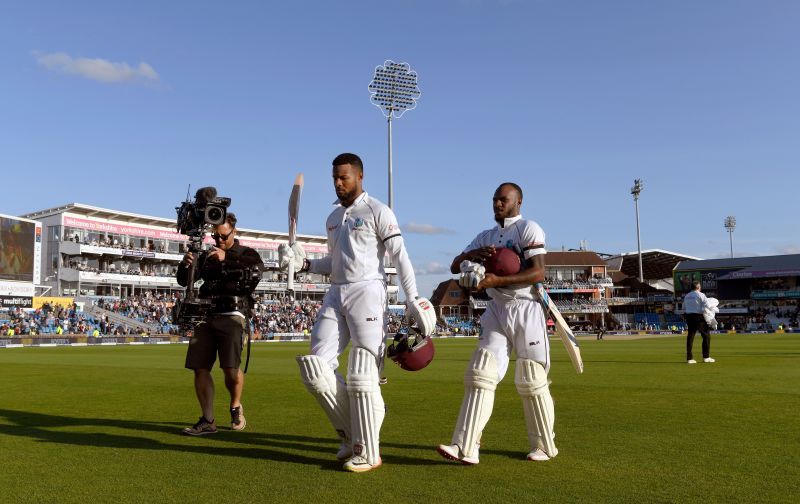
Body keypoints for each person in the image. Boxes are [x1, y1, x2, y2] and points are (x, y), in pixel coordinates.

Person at [279, 153, 436, 473]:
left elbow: (400, 257)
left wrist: (413, 298)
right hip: (337, 292)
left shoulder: (378, 210)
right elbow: (333, 264)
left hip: (368, 292)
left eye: (344, 178)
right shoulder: (333, 219)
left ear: (360, 177)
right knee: (316, 370)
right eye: (335, 177)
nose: (338, 183)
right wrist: (304, 264)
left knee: (364, 373)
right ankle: (354, 434)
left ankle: (368, 451)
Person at [437, 182, 558, 464]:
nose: (497, 204)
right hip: (496, 307)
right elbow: (455, 266)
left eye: (503, 200)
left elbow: (538, 272)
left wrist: (498, 280)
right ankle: (466, 446)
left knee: (531, 378)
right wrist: (470, 258)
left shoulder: (529, 228)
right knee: (481, 372)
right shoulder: (486, 235)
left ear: (518, 202)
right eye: (494, 200)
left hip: (526, 307)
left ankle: (544, 445)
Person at [177, 212, 263, 435]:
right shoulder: (207, 255)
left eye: (223, 236)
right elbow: (182, 281)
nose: (219, 241)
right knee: (199, 367)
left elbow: (255, 275)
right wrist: (186, 266)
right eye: (215, 237)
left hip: (233, 313)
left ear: (234, 231)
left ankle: (235, 405)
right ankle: (208, 419)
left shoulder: (247, 254)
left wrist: (228, 258)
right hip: (205, 313)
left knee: (230, 369)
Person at [683, 281, 714, 364]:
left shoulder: (687, 296)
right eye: (700, 286)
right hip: (698, 317)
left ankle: (689, 358)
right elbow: (707, 305)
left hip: (689, 316)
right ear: (697, 287)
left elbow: (684, 307)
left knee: (690, 336)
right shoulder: (701, 294)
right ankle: (706, 357)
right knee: (706, 336)